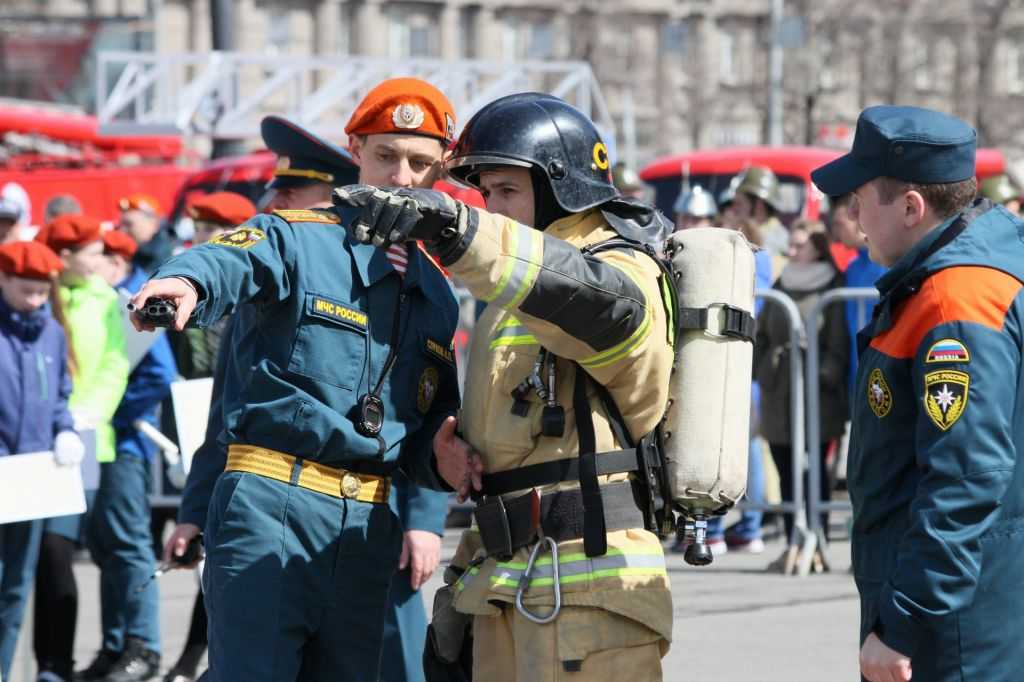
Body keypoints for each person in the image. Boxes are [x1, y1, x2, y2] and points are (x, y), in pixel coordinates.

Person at [337, 91, 676, 680]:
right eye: (485, 193)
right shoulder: (509, 291)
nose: (492, 207)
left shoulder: (623, 270)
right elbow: (509, 459)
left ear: (561, 187)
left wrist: (461, 231)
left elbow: (589, 300)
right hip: (507, 581)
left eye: (508, 191)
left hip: (591, 593)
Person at [137, 79, 460, 682]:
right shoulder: (296, 235)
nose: (401, 176)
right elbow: (228, 258)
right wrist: (184, 284)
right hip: (270, 507)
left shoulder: (437, 291)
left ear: (441, 169)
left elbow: (424, 430)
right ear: (356, 151)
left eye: (419, 162)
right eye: (386, 155)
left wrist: (443, 465)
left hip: (367, 526)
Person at [811, 105, 1024, 682]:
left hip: (956, 631)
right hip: (969, 605)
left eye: (860, 199)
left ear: (911, 207)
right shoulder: (972, 268)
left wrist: (903, 622)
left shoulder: (954, 302)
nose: (851, 215)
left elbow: (966, 478)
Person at [75, 229, 177, 682]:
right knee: (105, 547)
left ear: (115, 261)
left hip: (125, 444)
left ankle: (144, 647)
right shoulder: (108, 297)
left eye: (97, 257)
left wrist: (112, 413)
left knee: (128, 545)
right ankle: (115, 644)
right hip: (99, 442)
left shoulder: (134, 301)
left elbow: (159, 374)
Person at [34, 214, 130, 682]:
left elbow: (116, 363)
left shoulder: (106, 300)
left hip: (87, 440)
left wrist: (87, 415)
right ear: (65, 257)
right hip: (33, 441)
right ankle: (44, 660)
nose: (102, 261)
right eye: (92, 253)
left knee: (58, 548)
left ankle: (58, 663)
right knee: (30, 557)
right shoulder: (38, 295)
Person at [0, 241, 83, 682]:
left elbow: (58, 393)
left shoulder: (50, 331)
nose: (33, 301)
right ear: (3, 279)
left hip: (30, 483)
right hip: (2, 474)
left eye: (40, 292)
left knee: (15, 590)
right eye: (24, 291)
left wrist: (64, 428)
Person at [752, 220, 848, 574]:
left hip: (817, 393)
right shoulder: (782, 281)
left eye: (799, 246)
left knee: (816, 473)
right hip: (779, 390)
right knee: (785, 465)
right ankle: (794, 539)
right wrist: (764, 368)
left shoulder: (833, 285)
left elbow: (838, 342)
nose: (791, 252)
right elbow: (762, 333)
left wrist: (823, 374)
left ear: (818, 248)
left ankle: (818, 541)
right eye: (790, 246)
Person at [828, 193, 887, 390]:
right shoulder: (853, 266)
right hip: (857, 369)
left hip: (882, 367)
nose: (837, 232)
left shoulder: (885, 261)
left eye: (839, 224)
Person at [731, 166, 789, 274]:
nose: (734, 209)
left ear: (759, 205)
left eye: (739, 204)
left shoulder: (777, 242)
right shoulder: (743, 231)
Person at [118, 194, 172, 273]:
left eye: (129, 224)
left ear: (153, 223)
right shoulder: (136, 254)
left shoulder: (167, 255)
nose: (122, 231)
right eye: (121, 225)